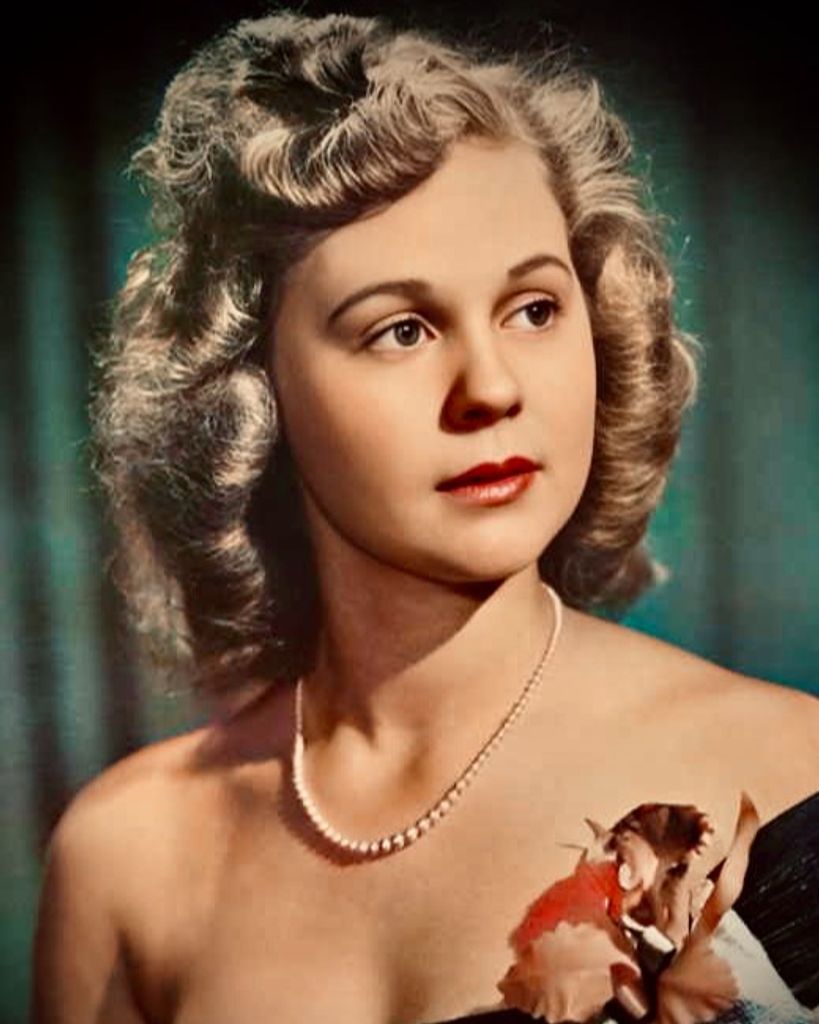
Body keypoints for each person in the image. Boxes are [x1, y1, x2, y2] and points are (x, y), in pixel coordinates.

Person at [31, 10, 819, 1024]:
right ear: (249, 388)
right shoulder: (126, 859)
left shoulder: (786, 771)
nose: (491, 387)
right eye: (400, 330)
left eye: (534, 309)